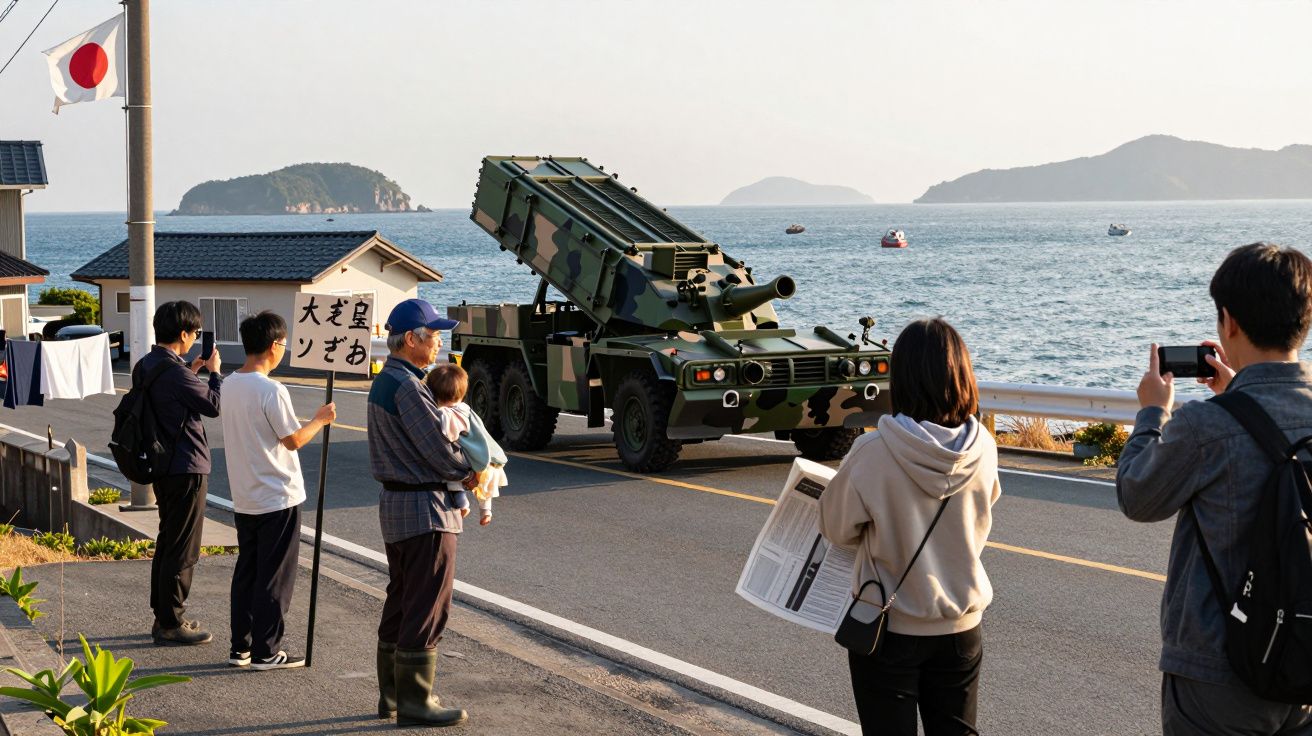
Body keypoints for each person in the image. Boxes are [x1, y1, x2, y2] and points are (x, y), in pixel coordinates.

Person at [1117, 242, 1312, 735]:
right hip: (1305, 656)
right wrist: (1239, 399)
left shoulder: (1207, 426)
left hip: (1218, 673)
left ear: (1229, 322)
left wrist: (1152, 413)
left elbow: (1137, 497)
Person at [818, 317, 1001, 736]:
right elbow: (982, 514)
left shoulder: (873, 451)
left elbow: (835, 527)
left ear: (900, 379)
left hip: (891, 626)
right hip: (961, 626)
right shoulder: (985, 449)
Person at [368, 298, 476, 728]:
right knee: (427, 604)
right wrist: (471, 470)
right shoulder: (410, 387)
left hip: (397, 506)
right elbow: (440, 451)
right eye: (433, 336)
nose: (438, 344)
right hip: (424, 508)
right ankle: (416, 700)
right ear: (411, 340)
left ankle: (392, 695)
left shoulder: (387, 380)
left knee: (401, 598)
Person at [220, 312, 336, 671]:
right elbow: (293, 440)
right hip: (278, 495)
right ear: (274, 345)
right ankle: (267, 651)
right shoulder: (271, 390)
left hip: (245, 494)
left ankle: (241, 647)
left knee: (248, 572)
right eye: (283, 343)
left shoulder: (228, 384)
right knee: (275, 576)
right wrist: (320, 419)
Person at [137, 300, 222, 646]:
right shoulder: (176, 372)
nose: (196, 338)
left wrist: (193, 368)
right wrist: (214, 372)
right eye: (195, 333)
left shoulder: (147, 364)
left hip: (162, 466)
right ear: (184, 334)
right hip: (186, 466)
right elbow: (213, 405)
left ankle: (164, 616)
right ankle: (172, 622)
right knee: (183, 547)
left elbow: (172, 396)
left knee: (168, 540)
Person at [424, 363, 507, 526]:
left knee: (449, 474)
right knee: (485, 488)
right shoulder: (465, 408)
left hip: (469, 458)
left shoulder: (443, 413)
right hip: (487, 457)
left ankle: (463, 503)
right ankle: (486, 511)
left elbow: (448, 436)